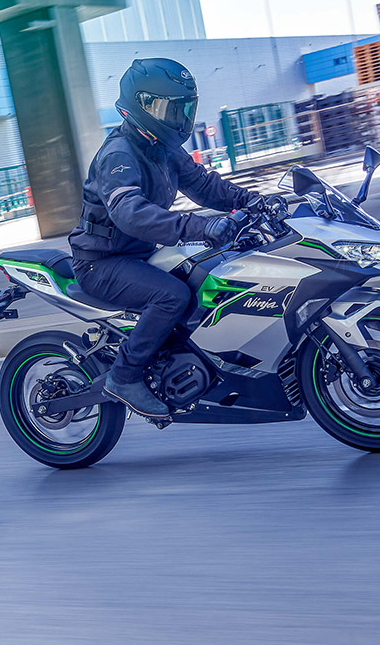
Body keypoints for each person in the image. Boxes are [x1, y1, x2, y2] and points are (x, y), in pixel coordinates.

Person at [68, 58, 284, 418]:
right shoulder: (118, 155)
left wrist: (253, 201)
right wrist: (199, 228)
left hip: (138, 254)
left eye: (184, 109)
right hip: (101, 263)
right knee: (172, 296)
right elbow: (130, 213)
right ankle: (124, 376)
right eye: (171, 109)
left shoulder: (164, 149)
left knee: (213, 275)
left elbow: (204, 185)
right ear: (143, 105)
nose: (179, 118)